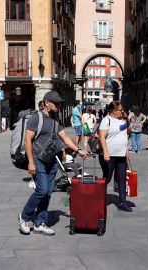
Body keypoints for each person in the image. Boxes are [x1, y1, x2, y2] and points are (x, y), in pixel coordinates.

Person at [19, 91, 87, 235]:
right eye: (56, 103)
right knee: (42, 190)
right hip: (38, 159)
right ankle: (24, 216)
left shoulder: (56, 119)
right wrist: (30, 162)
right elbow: (27, 140)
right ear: (47, 103)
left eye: (59, 103)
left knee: (48, 192)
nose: (58, 105)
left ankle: (40, 222)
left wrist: (78, 149)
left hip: (52, 159)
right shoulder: (36, 118)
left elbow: (65, 137)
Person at [99, 101, 132, 212]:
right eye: (120, 110)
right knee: (107, 178)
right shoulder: (106, 120)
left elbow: (126, 134)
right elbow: (102, 137)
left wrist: (126, 150)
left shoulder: (121, 120)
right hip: (110, 154)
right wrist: (106, 152)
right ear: (113, 111)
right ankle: (98, 197)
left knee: (122, 178)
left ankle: (123, 202)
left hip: (121, 154)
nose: (122, 111)